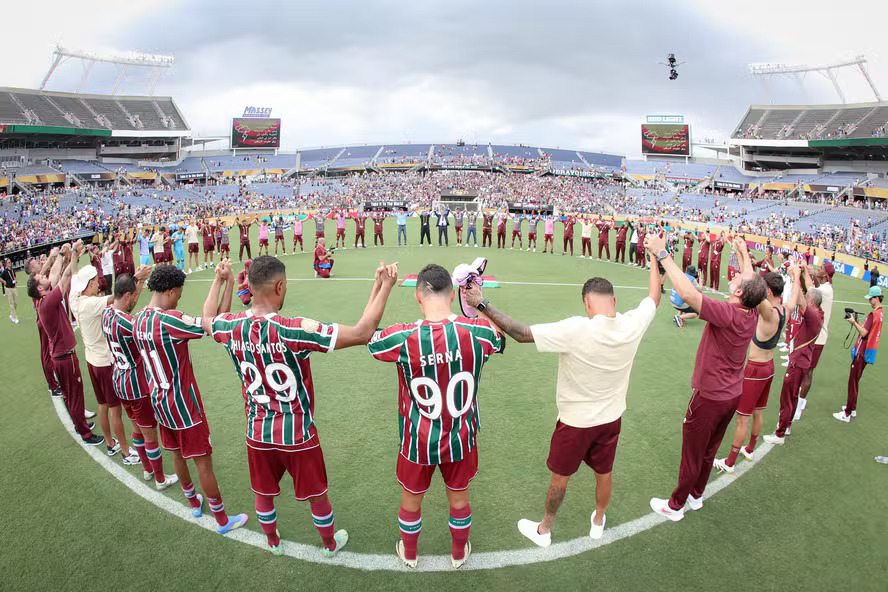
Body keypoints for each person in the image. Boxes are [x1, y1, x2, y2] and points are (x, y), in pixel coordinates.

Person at [204, 256, 399, 556]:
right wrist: (384, 286)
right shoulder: (294, 329)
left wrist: (221, 280)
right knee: (317, 495)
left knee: (263, 493)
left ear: (250, 287)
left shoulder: (230, 326)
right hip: (297, 434)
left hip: (257, 432)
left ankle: (273, 541)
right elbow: (362, 333)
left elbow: (208, 318)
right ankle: (329, 544)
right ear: (280, 286)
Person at [465, 254, 661, 545]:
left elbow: (521, 333)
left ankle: (544, 529)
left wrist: (481, 304)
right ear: (614, 301)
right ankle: (598, 520)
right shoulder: (632, 324)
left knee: (560, 478)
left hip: (575, 423)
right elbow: (654, 297)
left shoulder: (577, 328)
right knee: (604, 473)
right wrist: (656, 257)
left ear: (587, 303)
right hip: (611, 419)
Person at [367, 264, 505, 569]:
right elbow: (498, 336)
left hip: (418, 439)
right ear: (454, 295)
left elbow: (367, 334)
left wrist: (382, 287)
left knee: (411, 499)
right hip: (460, 438)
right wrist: (478, 303)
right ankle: (458, 554)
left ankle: (410, 554)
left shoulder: (403, 336)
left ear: (418, 296)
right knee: (459, 498)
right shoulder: (478, 332)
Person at [647, 236, 767, 521]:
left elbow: (688, 295)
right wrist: (742, 251)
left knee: (693, 451)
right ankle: (696, 495)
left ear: (740, 292)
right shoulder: (750, 311)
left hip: (710, 396)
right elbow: (751, 282)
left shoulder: (728, 312)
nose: (735, 274)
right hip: (731, 395)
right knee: (709, 448)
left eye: (738, 277)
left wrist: (663, 254)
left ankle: (676, 506)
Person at [133, 264, 248, 535]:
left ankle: (194, 502)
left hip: (160, 402)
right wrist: (219, 281)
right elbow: (211, 323)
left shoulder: (138, 319)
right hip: (184, 405)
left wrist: (228, 284)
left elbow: (215, 319)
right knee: (203, 462)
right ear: (171, 292)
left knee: (177, 454)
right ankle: (222, 520)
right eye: (179, 295)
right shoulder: (169, 320)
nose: (179, 300)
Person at [102, 270, 178, 489]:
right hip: (136, 385)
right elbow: (143, 328)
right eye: (134, 296)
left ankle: (147, 469)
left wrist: (140, 281)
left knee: (136, 428)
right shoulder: (128, 323)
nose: (135, 300)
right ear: (126, 295)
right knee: (149, 433)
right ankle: (160, 479)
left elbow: (129, 310)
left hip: (120, 380)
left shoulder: (106, 313)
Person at [28, 241, 104, 445]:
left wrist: (63, 255)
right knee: (75, 394)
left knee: (70, 395)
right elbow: (64, 276)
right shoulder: (48, 301)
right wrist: (71, 254)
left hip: (60, 355)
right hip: (65, 356)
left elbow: (54, 274)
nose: (44, 276)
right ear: (39, 288)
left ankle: (78, 423)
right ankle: (85, 433)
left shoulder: (43, 300)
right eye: (41, 278)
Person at [713, 272, 785, 473]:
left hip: (755, 369)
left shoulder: (768, 312)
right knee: (758, 411)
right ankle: (750, 448)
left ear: (767, 291)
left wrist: (745, 260)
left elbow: (754, 291)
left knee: (742, 418)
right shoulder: (784, 309)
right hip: (769, 367)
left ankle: (729, 462)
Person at [70, 264, 141, 463]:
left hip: (92, 360)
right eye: (95, 281)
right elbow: (118, 298)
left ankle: (111, 443)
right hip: (104, 362)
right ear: (90, 283)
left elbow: (73, 278)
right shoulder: (91, 304)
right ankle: (126, 452)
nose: (98, 284)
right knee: (115, 409)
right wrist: (136, 278)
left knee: (102, 404)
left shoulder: (76, 300)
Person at [763, 264, 823, 444]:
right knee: (793, 396)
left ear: (812, 302)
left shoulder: (813, 315)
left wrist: (796, 276)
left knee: (787, 397)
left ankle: (780, 433)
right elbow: (808, 293)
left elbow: (801, 301)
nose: (804, 297)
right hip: (802, 359)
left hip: (798, 361)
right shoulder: (818, 313)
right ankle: (787, 426)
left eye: (808, 298)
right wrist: (802, 275)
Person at [833, 285, 883, 422]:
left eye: (871, 299)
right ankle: (852, 408)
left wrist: (854, 322)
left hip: (862, 351)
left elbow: (864, 333)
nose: (869, 301)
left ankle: (847, 413)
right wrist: (858, 322)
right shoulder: (880, 313)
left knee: (853, 382)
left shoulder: (873, 314)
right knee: (855, 380)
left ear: (876, 298)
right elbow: (868, 330)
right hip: (868, 350)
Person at [795, 262, 834, 420]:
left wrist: (804, 271)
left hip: (817, 337)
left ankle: (799, 404)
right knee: (805, 370)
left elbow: (811, 289)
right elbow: (814, 286)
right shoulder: (826, 287)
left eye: (821, 269)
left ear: (825, 274)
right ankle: (799, 400)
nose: (818, 269)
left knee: (807, 371)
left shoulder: (825, 290)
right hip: (816, 335)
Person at [27, 256, 61, 397]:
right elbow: (47, 268)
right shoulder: (35, 280)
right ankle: (52, 385)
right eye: (35, 263)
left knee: (48, 352)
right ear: (31, 270)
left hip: (44, 318)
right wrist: (53, 256)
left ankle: (52, 382)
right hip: (43, 320)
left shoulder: (37, 279)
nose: (38, 263)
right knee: (47, 353)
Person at [1, 258, 18, 324]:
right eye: (8, 262)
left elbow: (14, 276)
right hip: (8, 288)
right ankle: (14, 318)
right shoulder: (5, 271)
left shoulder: (12, 270)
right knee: (11, 303)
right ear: (6, 264)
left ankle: (11, 315)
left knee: (15, 303)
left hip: (13, 287)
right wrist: (4, 282)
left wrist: (15, 280)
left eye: (10, 262)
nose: (10, 263)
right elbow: (0, 277)